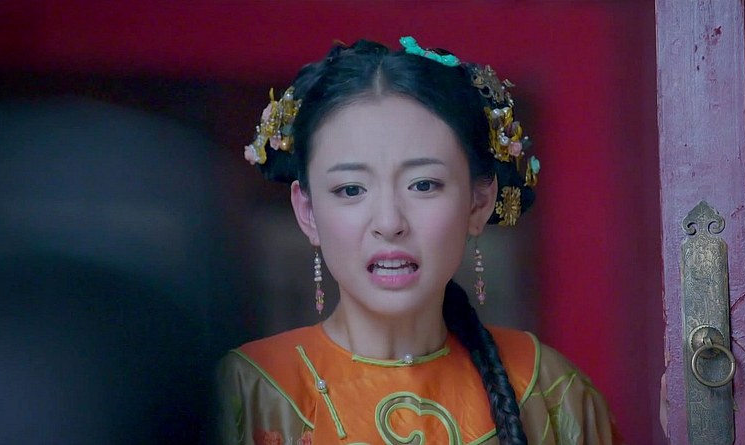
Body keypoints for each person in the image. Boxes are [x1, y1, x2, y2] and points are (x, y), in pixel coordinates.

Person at [218, 37, 623, 445]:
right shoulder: (244, 393)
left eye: (423, 184)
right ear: (307, 211)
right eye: (351, 189)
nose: (389, 223)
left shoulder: (550, 391)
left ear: (479, 202)